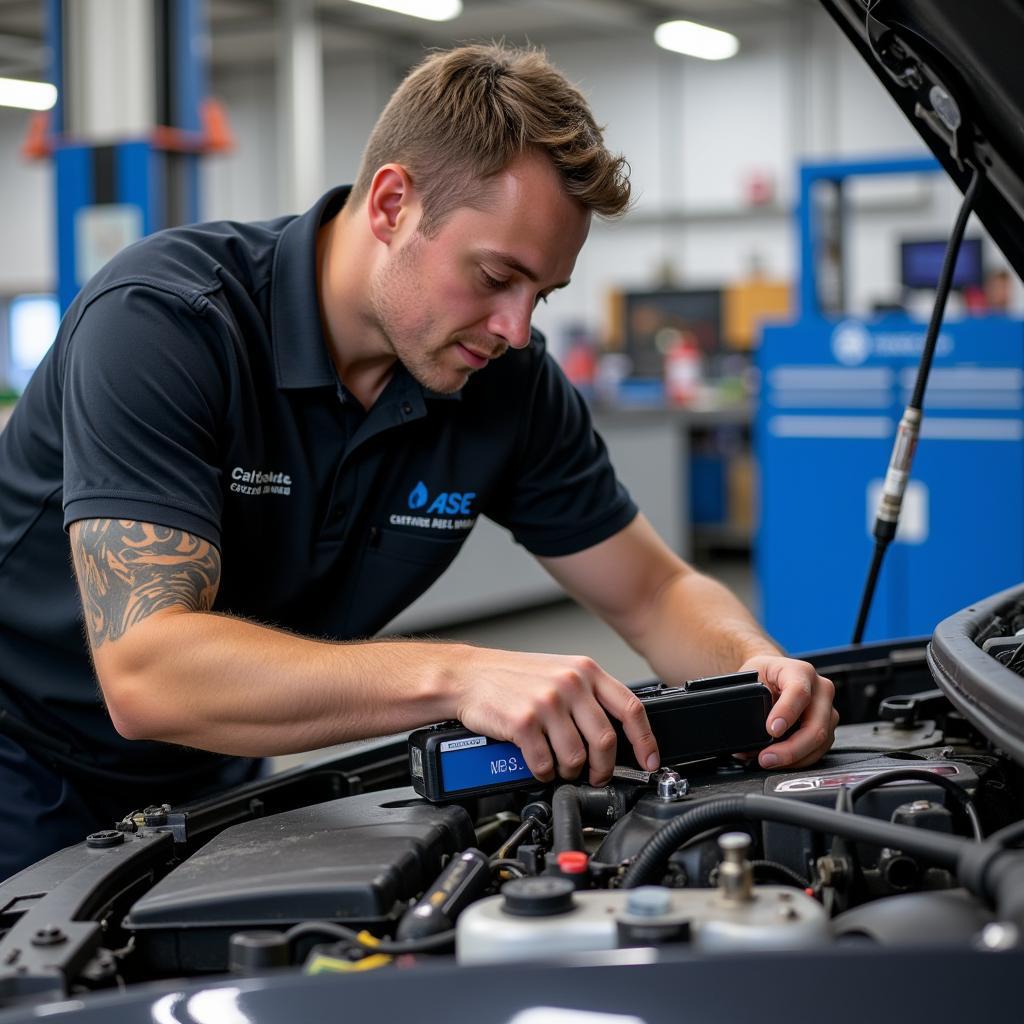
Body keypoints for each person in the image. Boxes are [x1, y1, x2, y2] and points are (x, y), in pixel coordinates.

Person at [0, 43, 837, 879]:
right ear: (394, 203)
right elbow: (148, 673)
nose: (515, 327)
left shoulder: (506, 383)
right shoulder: (166, 323)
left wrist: (752, 666)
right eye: (495, 276)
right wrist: (457, 673)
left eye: (539, 295)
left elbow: (653, 592)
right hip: (22, 757)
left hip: (215, 769)